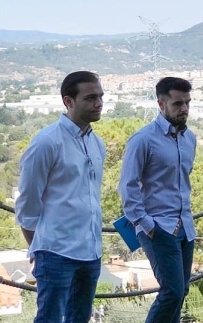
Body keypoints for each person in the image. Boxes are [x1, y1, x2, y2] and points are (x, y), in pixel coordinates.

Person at [16, 70, 106, 323]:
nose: (98, 103)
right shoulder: (47, 142)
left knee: (80, 318)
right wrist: (39, 247)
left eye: (100, 97)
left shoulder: (97, 143)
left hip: (91, 252)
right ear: (68, 101)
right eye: (90, 98)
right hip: (55, 252)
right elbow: (27, 204)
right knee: (50, 319)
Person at [118, 77, 197, 323]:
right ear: (161, 104)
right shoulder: (143, 139)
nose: (184, 108)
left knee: (180, 291)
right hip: (159, 227)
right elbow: (127, 186)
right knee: (172, 292)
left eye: (187, 102)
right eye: (177, 103)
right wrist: (146, 224)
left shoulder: (190, 139)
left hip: (185, 226)